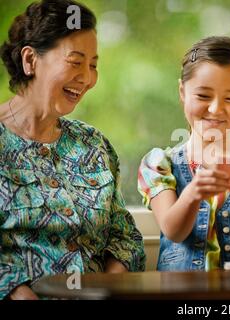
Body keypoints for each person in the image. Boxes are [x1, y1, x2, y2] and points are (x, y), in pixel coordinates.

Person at [0, 0, 145, 300]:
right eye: (75, 61)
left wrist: (107, 291)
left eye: (93, 65)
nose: (88, 78)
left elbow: (125, 239)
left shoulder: (94, 145)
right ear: (30, 60)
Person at [137, 36, 230, 271]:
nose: (215, 109)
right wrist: (192, 193)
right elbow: (173, 231)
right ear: (182, 92)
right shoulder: (159, 164)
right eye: (203, 96)